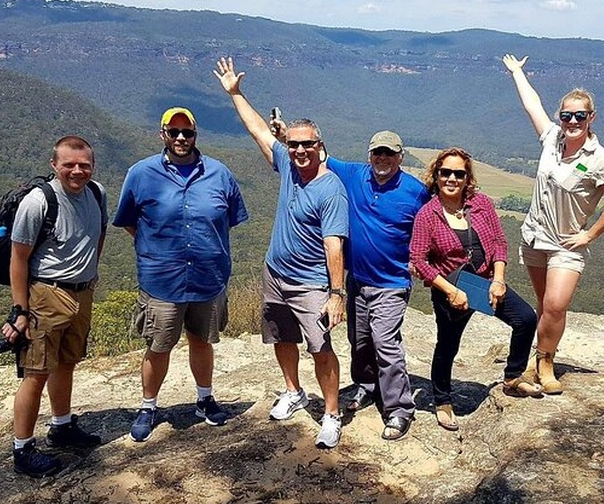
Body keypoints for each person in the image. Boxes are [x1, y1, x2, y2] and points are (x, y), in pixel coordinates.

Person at [213, 57, 349, 449]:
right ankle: (294, 391)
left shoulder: (331, 189)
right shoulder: (289, 167)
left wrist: (337, 295)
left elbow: (334, 245)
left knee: (321, 348)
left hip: (311, 284)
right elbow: (257, 129)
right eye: (294, 144)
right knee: (281, 338)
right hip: (275, 274)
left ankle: (332, 413)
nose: (301, 150)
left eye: (308, 144)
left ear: (320, 147)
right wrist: (236, 93)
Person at [113, 107, 249, 442]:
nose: (180, 139)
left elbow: (227, 219)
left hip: (208, 278)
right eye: (173, 132)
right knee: (159, 346)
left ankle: (204, 398)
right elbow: (129, 221)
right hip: (162, 281)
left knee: (202, 342)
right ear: (162, 134)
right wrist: (157, 247)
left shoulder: (219, 174)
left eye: (186, 133)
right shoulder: (141, 173)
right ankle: (148, 406)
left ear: (195, 135)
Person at [502, 54, 604, 395]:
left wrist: (589, 234)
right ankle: (537, 358)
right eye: (567, 115)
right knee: (544, 304)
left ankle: (546, 361)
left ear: (591, 118)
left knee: (556, 304)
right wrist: (517, 73)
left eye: (579, 115)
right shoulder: (552, 140)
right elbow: (532, 106)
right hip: (534, 237)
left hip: (566, 243)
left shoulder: (600, 160)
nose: (572, 120)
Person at [410, 147, 539, 431]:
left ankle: (513, 376)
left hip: (484, 282)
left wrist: (499, 279)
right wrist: (450, 291)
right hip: (451, 288)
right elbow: (419, 260)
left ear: (467, 177)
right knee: (448, 345)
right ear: (437, 175)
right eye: (446, 173)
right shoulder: (428, 215)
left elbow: (498, 242)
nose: (452, 179)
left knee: (526, 319)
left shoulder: (481, 204)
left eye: (459, 173)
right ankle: (442, 401)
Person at [0, 135, 108, 477]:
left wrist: (88, 274)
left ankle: (62, 426)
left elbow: (99, 232)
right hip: (46, 294)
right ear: (54, 165)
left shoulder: (96, 193)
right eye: (69, 165)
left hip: (81, 292)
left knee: (67, 362)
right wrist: (20, 310)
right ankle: (23, 449)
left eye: (84, 165)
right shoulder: (38, 202)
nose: (77, 171)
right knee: (36, 373)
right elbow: (18, 260)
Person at [326, 131, 430, 441]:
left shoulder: (415, 191)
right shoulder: (356, 175)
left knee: (385, 341)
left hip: (392, 283)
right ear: (369, 155)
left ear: (400, 156)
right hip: (357, 280)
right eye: (377, 153)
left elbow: (432, 225)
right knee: (359, 341)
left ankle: (399, 409)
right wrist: (280, 135)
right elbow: (318, 155)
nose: (382, 159)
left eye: (389, 154)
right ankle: (368, 385)